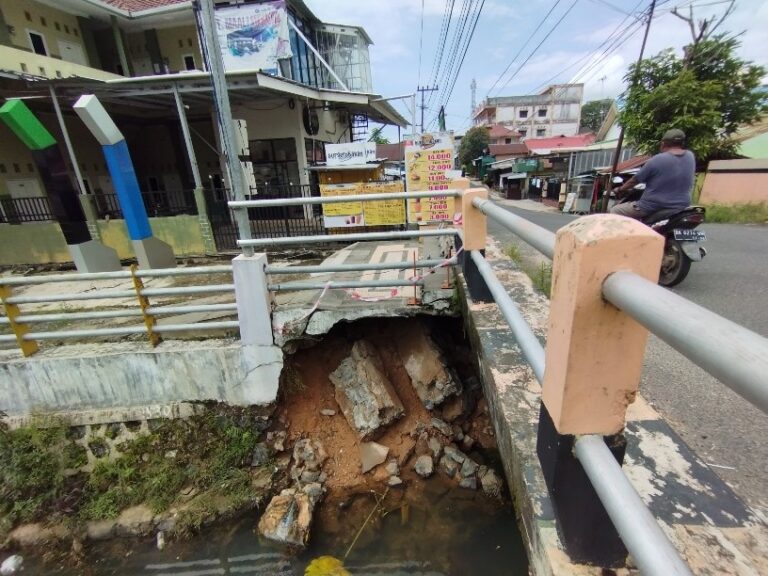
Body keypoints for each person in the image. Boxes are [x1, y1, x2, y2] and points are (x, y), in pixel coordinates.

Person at [610, 128, 695, 220]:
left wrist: (620, 189)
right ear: (682, 143)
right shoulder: (690, 156)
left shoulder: (657, 159)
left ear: (663, 144)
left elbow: (635, 180)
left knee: (615, 210)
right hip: (682, 205)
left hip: (652, 206)